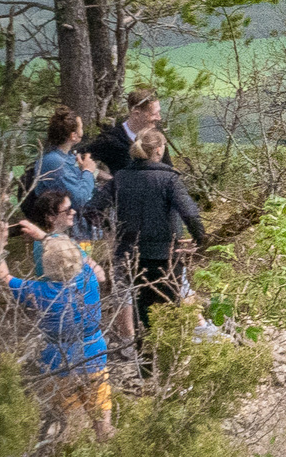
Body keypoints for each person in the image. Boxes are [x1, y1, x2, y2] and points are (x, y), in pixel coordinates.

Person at [0, 217, 113, 441]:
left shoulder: (39, 291)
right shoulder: (89, 278)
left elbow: (4, 278)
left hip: (59, 362)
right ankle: (112, 456)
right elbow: (77, 256)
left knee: (69, 427)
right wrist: (45, 236)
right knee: (102, 422)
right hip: (94, 354)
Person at [114, 128, 207, 344]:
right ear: (159, 150)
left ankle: (144, 364)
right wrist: (200, 239)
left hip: (130, 255)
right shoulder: (168, 179)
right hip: (164, 256)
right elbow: (190, 213)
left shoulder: (121, 177)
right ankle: (167, 359)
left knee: (142, 309)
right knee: (168, 308)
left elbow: (95, 208)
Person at [26, 106, 103, 215]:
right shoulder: (54, 162)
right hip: (65, 225)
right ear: (73, 136)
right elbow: (78, 200)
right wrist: (88, 171)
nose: (83, 131)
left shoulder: (67, 157)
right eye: (81, 127)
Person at [86, 89, 167, 176]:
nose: (159, 118)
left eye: (159, 112)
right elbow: (79, 158)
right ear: (136, 114)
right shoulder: (112, 139)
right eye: (154, 114)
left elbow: (168, 166)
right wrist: (110, 179)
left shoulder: (157, 133)